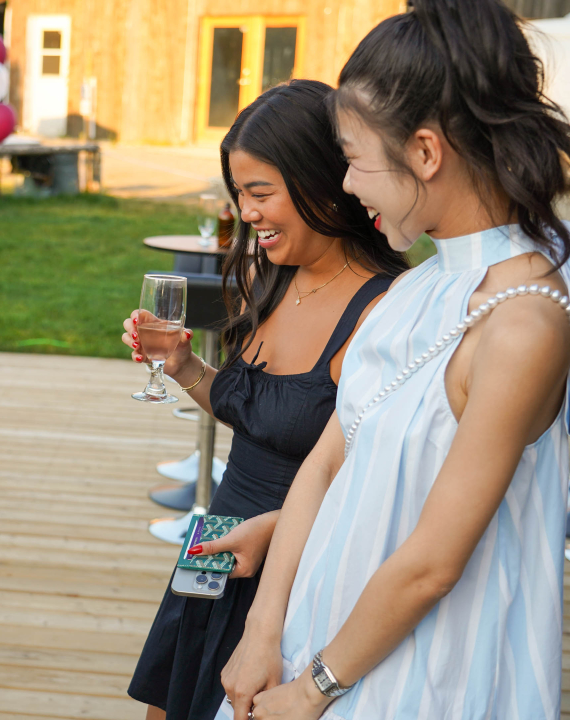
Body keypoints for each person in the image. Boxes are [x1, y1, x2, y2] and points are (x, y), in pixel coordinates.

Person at [219, 3, 570, 719]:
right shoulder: (415, 287)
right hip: (320, 635)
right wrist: (263, 633)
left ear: (425, 152)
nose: (346, 185)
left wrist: (314, 690)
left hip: (424, 672)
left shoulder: (524, 324)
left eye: (353, 159)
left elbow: (433, 566)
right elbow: (327, 463)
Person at [117, 80, 409, 720]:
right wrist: (184, 366)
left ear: (321, 181)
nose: (245, 214)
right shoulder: (267, 277)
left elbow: (384, 486)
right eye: (238, 195)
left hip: (297, 571)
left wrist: (277, 530)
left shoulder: (384, 311)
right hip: (218, 538)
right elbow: (254, 416)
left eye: (259, 193)